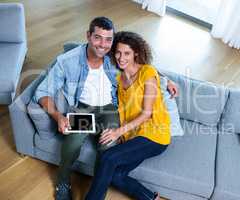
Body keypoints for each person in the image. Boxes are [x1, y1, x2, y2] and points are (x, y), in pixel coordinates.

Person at [34, 17, 178, 200]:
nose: (103, 45)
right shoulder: (68, 61)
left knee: (108, 149)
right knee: (73, 142)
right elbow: (42, 91)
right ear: (88, 36)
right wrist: (58, 117)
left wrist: (166, 80)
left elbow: (142, 67)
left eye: (108, 39)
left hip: (109, 110)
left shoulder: (113, 57)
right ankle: (63, 181)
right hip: (84, 110)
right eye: (97, 38)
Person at [85, 31, 171, 200]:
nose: (121, 57)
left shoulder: (147, 73)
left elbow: (146, 113)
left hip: (155, 135)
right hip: (134, 135)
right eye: (117, 52)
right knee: (116, 176)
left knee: (108, 158)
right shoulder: (118, 78)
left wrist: (118, 132)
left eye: (126, 53)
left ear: (136, 53)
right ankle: (151, 198)